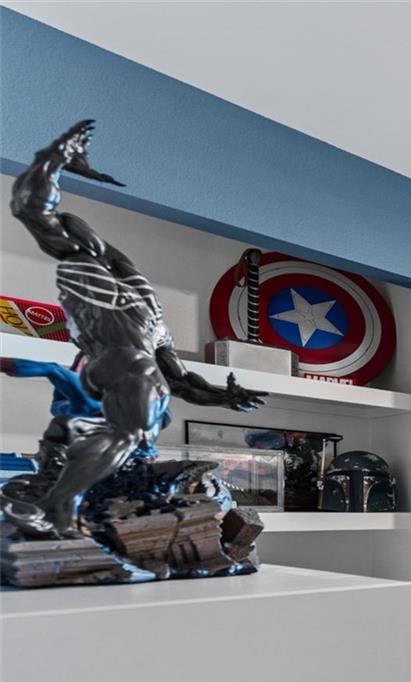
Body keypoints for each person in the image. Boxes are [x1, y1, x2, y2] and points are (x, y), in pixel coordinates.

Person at [5, 119, 264, 537]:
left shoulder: (149, 311)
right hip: (123, 364)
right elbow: (29, 207)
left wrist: (225, 397)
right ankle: (57, 511)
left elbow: (181, 382)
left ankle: (58, 485)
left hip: (121, 367)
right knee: (126, 435)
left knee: (93, 433)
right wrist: (56, 157)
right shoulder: (88, 270)